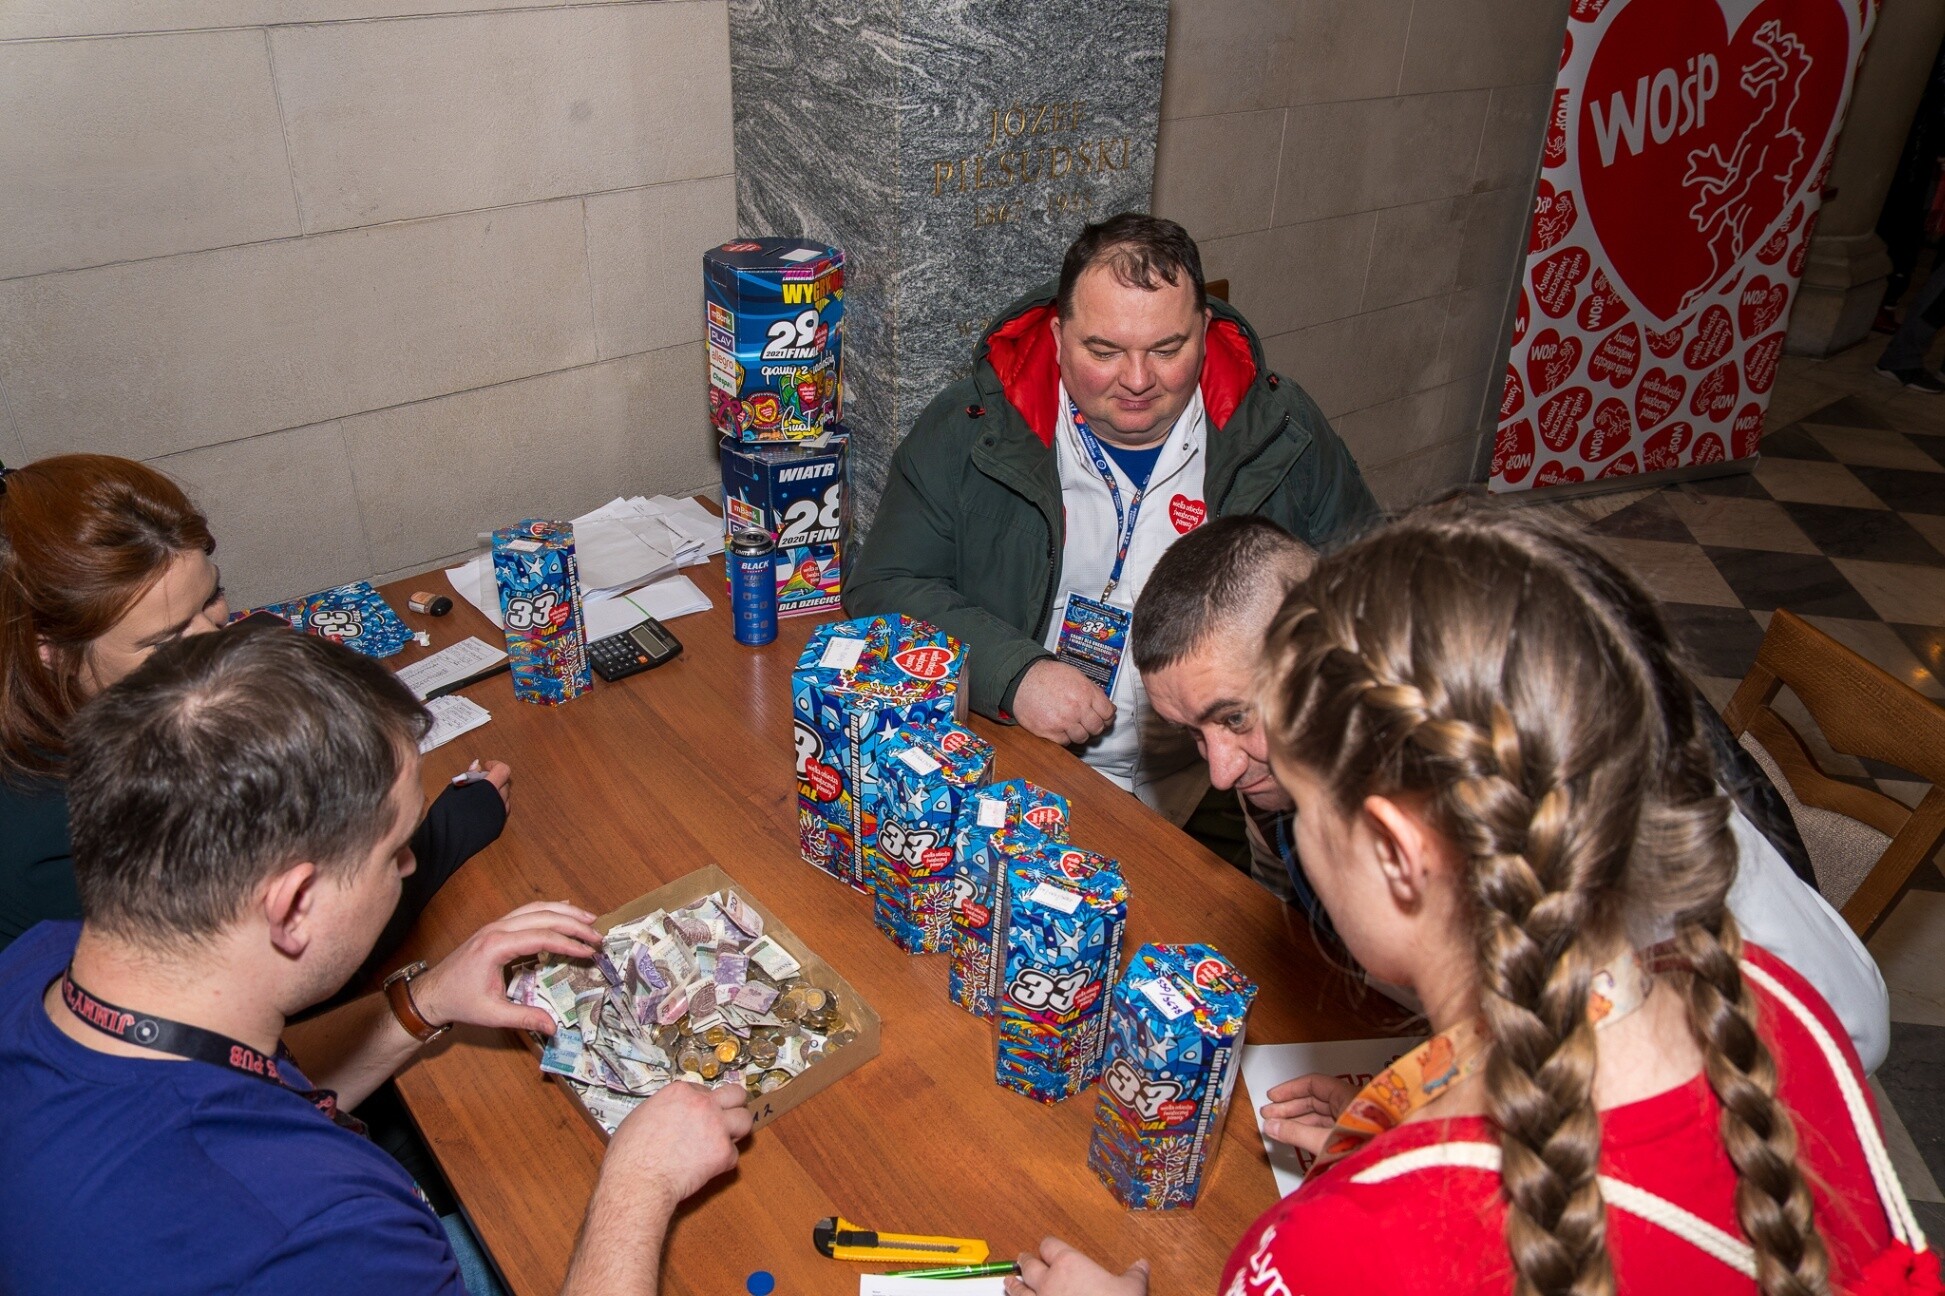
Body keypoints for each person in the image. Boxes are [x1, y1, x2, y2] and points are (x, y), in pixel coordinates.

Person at [1008, 506, 1922, 1296]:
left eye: (1313, 808)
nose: (1229, 775)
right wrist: (1423, 1087)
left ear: (1397, 853)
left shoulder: (1335, 1248)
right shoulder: (1778, 1014)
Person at [0, 623, 750, 1294]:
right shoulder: (318, 1233)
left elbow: (250, 1085)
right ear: (294, 904)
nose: (410, 867)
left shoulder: (45, 962)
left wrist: (421, 1003)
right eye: (393, 852)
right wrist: (638, 1186)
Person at [1130, 513, 1889, 1073]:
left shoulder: (1541, 778)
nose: (1220, 771)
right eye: (1195, 733)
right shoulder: (1291, 753)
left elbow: (1847, 1024)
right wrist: (1405, 1094)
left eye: (1235, 718)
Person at [845, 213, 1378, 819]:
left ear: (1204, 332)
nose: (1138, 380)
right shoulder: (972, 428)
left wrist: (1301, 740)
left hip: (1215, 785)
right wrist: (1013, 674)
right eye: (1104, 351)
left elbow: (1372, 602)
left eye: (1167, 349)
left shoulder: (1280, 430)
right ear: (1058, 337)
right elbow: (884, 583)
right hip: (1027, 760)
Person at [0, 453, 508, 971]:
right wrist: (443, 837)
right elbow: (275, 966)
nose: (211, 643)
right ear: (50, 653)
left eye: (212, 598)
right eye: (165, 641)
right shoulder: (60, 834)